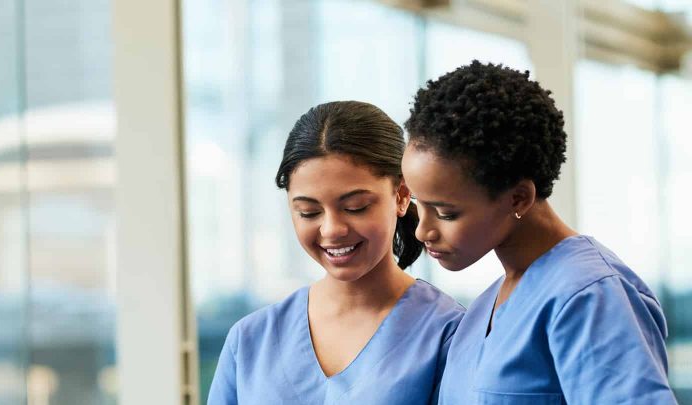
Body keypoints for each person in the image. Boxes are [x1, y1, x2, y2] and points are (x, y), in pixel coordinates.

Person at [401, 61, 677, 404]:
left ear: (518, 197)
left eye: (445, 213)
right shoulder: (482, 311)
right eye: (418, 205)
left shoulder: (590, 296)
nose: (423, 230)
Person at [207, 101, 464, 404]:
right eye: (308, 211)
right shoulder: (250, 340)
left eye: (355, 207)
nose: (331, 229)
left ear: (402, 196)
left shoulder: (447, 333)